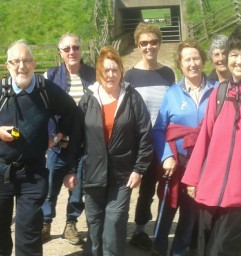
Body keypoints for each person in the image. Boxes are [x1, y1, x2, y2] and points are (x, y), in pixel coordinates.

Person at [0, 40, 76, 256]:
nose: (22, 66)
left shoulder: (44, 89)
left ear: (34, 63)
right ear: (7, 66)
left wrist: (58, 136)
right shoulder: (1, 90)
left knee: (29, 234)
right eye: (16, 61)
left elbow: (72, 111)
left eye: (26, 60)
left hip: (33, 173)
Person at [65, 46, 154, 256]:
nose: (111, 75)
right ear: (99, 72)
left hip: (122, 175)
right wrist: (70, 170)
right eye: (106, 70)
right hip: (94, 174)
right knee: (94, 225)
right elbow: (76, 138)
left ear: (121, 71)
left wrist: (139, 169)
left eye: (115, 70)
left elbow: (145, 135)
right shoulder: (88, 99)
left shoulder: (132, 98)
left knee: (114, 222)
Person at [182, 24, 241, 256]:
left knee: (221, 251)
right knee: (202, 250)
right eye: (234, 54)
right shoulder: (220, 92)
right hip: (209, 190)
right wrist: (193, 178)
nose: (239, 60)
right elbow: (205, 136)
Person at [152, 39, 218, 256]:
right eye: (187, 59)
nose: (192, 63)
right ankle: (159, 249)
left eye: (196, 58)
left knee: (190, 213)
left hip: (203, 166)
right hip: (176, 162)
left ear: (203, 60)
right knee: (168, 208)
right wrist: (166, 156)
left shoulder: (218, 91)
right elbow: (159, 129)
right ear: (180, 64)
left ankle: (178, 252)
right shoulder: (172, 93)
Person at [124, 22, 175, 251]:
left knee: (148, 189)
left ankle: (140, 230)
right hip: (136, 141)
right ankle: (117, 227)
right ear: (137, 45)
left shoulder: (168, 73)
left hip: (160, 141)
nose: (149, 46)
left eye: (153, 42)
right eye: (144, 43)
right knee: (127, 186)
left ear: (159, 43)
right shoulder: (130, 75)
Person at [41, 33, 96, 244]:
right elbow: (42, 109)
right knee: (50, 185)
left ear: (81, 50)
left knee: (78, 188)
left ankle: (70, 224)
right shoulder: (51, 76)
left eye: (76, 47)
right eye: (67, 49)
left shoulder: (93, 75)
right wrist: (48, 137)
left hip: (83, 144)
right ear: (60, 53)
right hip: (57, 144)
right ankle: (45, 223)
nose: (72, 52)